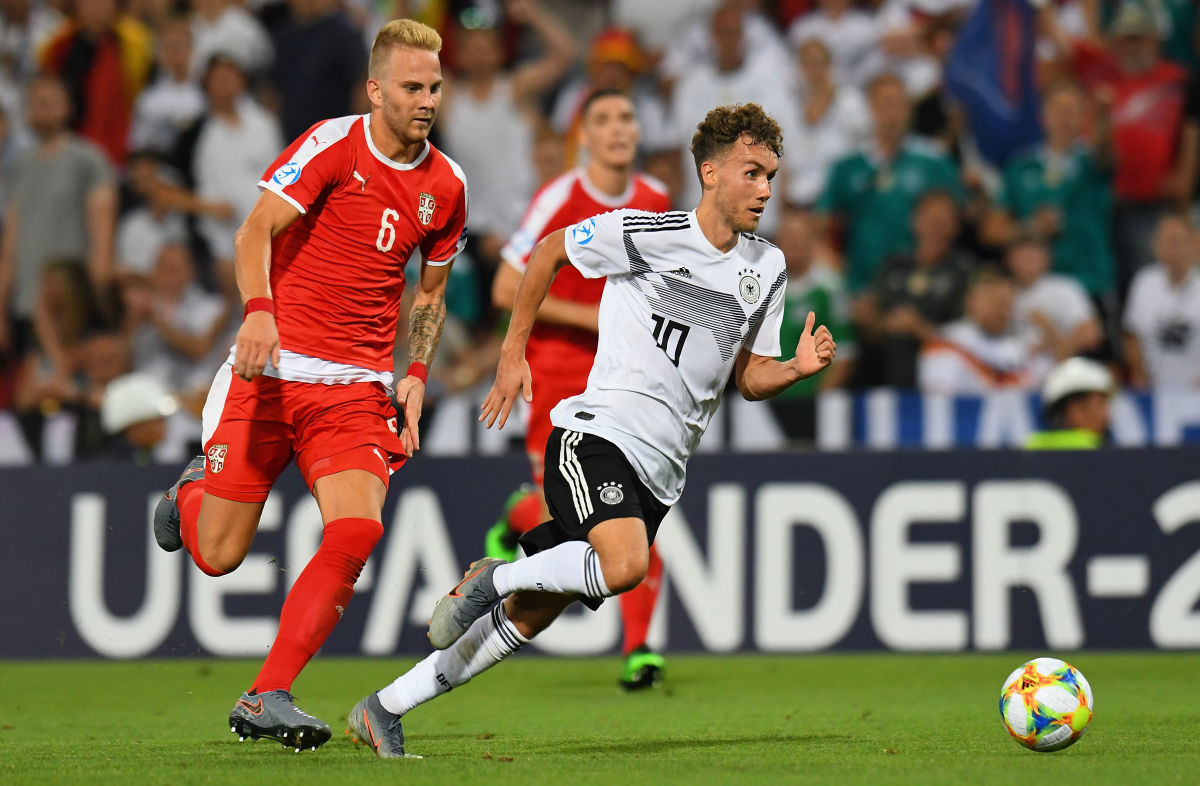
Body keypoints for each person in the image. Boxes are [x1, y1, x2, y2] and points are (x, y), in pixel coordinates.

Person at [346, 102, 835, 759]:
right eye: (752, 173)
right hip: (595, 436)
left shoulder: (767, 268)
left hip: (660, 476)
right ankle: (494, 577)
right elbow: (547, 253)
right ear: (711, 172)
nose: (766, 190)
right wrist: (514, 352)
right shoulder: (647, 233)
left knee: (532, 615)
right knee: (625, 565)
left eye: (772, 176)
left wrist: (795, 370)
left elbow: (747, 376)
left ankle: (385, 707)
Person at [151, 19, 468, 752]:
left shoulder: (446, 186)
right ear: (376, 88)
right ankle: (187, 497)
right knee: (221, 553)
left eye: (436, 87)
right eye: (413, 87)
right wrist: (259, 314)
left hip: (355, 387)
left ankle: (267, 693)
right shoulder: (332, 145)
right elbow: (253, 231)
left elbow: (430, 293)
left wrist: (415, 376)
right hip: (272, 369)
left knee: (357, 528)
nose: (426, 100)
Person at [485, 87, 671, 690]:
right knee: (556, 511)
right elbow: (503, 286)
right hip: (561, 376)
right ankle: (517, 515)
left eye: (627, 117)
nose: (618, 129)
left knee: (635, 516)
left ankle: (640, 649)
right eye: (603, 120)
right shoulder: (561, 197)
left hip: (628, 382)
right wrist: (591, 318)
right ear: (583, 136)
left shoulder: (658, 199)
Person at [1123, 211, 1200, 389]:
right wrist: (1139, 374)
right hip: (1154, 389)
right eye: (1162, 241)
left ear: (1193, 244)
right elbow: (1131, 334)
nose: (1168, 248)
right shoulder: (1144, 282)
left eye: (1175, 241)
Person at [1026, 356, 1113, 450]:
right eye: (1100, 406)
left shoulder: (1030, 448)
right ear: (1075, 410)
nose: (1107, 417)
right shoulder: (1101, 453)